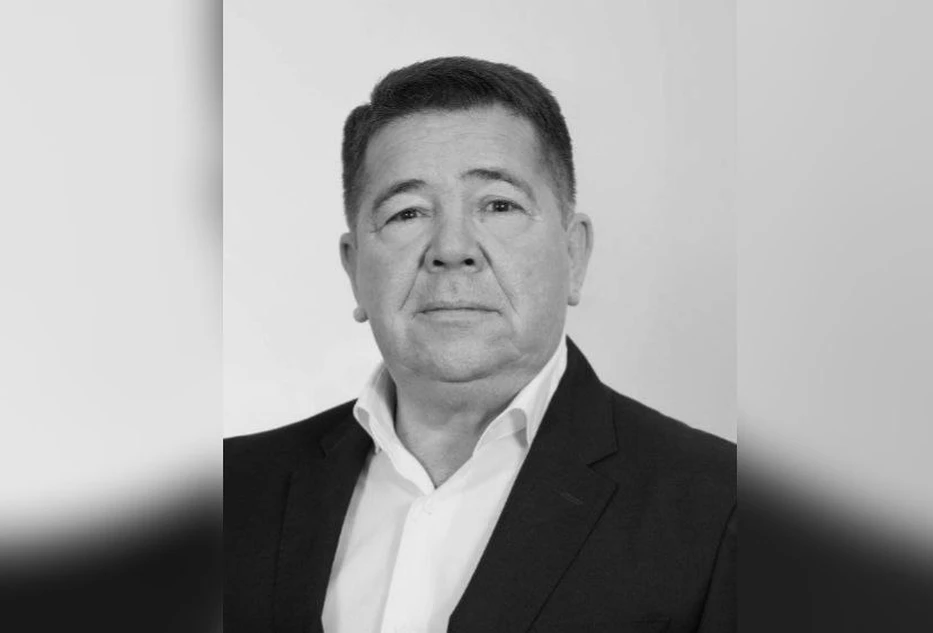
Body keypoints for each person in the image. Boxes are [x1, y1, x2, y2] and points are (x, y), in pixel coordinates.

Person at [224, 56, 735, 633]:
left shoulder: (722, 509)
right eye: (407, 212)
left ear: (574, 254)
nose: (452, 249)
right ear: (354, 268)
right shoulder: (227, 492)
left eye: (498, 205)